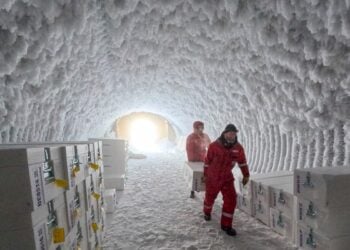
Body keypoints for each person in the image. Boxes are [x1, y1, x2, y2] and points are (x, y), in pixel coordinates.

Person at [203, 124, 250, 236]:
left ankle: (226, 225)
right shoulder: (214, 146)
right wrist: (205, 175)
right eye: (230, 133)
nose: (232, 135)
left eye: (234, 133)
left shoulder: (238, 148)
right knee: (210, 197)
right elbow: (207, 161)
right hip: (213, 177)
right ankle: (207, 212)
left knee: (231, 199)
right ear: (224, 133)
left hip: (227, 178)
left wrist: (246, 175)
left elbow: (242, 162)